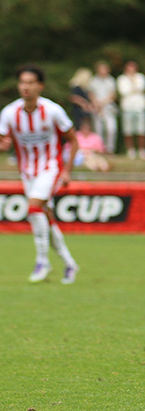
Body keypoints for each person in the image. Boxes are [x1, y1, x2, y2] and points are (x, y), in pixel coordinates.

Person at [0, 65, 81, 284]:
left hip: (50, 168)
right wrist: (3, 146)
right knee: (45, 217)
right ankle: (70, 263)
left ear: (40, 86)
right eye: (22, 82)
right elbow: (2, 141)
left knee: (34, 208)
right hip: (27, 172)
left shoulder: (52, 110)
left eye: (30, 82)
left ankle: (42, 261)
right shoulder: (9, 113)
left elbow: (73, 140)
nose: (25, 87)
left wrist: (67, 171)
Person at [117, 60, 145, 159]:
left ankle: (142, 150)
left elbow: (141, 88)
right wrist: (134, 87)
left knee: (142, 130)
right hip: (127, 107)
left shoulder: (140, 77)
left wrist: (132, 84)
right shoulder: (121, 79)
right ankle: (130, 150)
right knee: (128, 130)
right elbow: (123, 91)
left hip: (140, 107)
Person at [89, 61, 119, 154]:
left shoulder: (111, 80)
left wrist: (102, 103)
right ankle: (100, 148)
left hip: (108, 107)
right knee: (98, 129)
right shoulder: (93, 80)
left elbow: (113, 95)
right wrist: (97, 104)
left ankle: (110, 149)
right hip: (97, 108)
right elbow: (91, 94)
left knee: (111, 129)